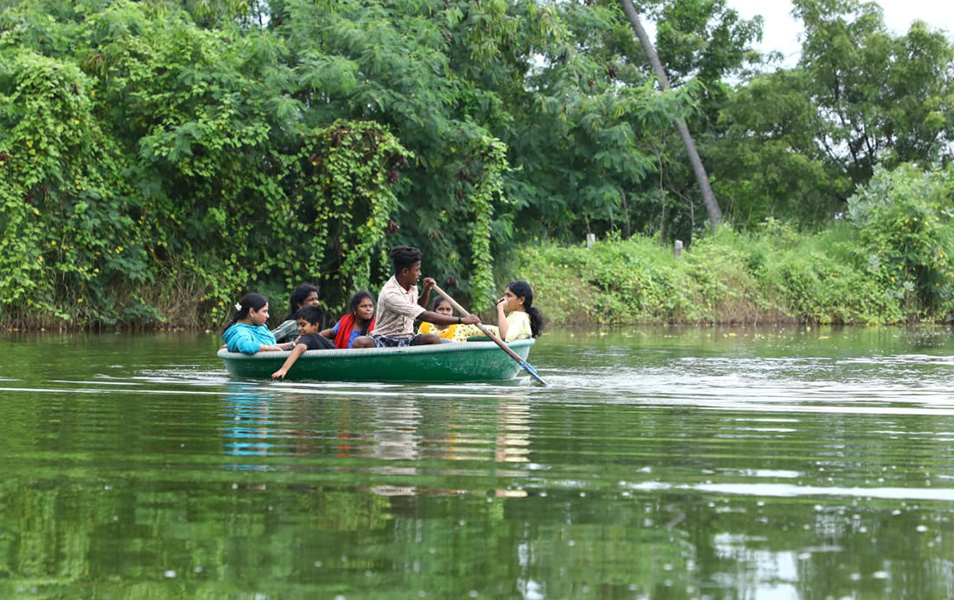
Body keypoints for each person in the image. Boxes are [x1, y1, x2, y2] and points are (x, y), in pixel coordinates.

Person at [353, 245, 480, 348]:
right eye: (417, 270)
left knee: (432, 339)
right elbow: (424, 315)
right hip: (386, 339)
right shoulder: (390, 293)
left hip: (408, 338)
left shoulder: (412, 286)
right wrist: (461, 320)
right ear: (405, 272)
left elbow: (418, 307)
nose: (420, 274)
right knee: (361, 342)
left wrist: (426, 290)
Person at [457, 280, 545, 342]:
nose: (503, 299)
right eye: (504, 295)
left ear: (521, 300)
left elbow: (505, 336)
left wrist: (500, 309)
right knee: (463, 328)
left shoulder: (519, 318)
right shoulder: (516, 315)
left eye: (508, 296)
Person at [271, 306, 336, 379]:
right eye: (298, 325)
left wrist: (283, 369)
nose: (299, 328)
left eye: (303, 325)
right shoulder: (328, 342)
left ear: (315, 325)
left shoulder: (307, 337)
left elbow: (301, 347)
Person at [222, 293, 295, 354]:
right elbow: (246, 347)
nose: (268, 316)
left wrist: (291, 345)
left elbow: (270, 346)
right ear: (252, 312)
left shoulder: (260, 327)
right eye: (264, 311)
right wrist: (269, 349)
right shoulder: (240, 332)